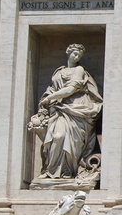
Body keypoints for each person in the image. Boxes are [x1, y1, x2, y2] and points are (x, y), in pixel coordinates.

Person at [29, 44, 103, 181]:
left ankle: (68, 171)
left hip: (76, 108)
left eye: (79, 56)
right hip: (59, 108)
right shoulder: (59, 71)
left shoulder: (79, 70)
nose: (77, 57)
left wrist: (50, 98)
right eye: (75, 54)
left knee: (66, 139)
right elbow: (53, 88)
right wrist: (48, 98)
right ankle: (52, 170)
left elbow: (70, 90)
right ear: (68, 52)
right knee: (57, 136)